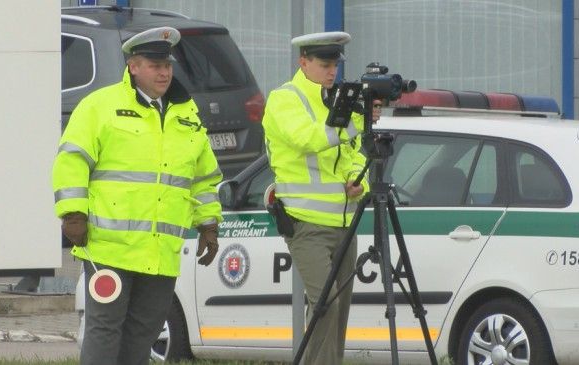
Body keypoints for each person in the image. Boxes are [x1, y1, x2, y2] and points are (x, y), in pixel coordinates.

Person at [52, 27, 222, 365]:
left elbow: (203, 177)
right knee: (105, 331)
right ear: (133, 66)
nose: (164, 73)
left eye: (167, 65)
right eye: (154, 65)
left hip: (160, 252)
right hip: (109, 247)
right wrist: (73, 213)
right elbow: (72, 159)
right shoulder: (101, 106)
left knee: (143, 334)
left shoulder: (186, 115)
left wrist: (208, 224)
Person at [262, 31, 381, 364]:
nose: (332, 71)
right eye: (324, 64)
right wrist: (356, 124)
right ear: (303, 62)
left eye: (335, 65)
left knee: (337, 312)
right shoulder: (285, 98)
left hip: (344, 220)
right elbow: (308, 139)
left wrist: (360, 181)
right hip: (306, 223)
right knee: (326, 303)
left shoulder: (338, 98)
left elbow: (356, 153)